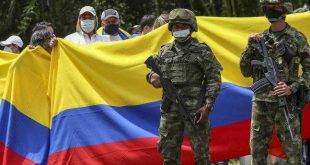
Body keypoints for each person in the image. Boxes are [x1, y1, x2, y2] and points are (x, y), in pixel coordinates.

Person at [146, 8, 222, 165]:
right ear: (171, 29)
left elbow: (214, 79)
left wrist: (207, 106)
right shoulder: (164, 51)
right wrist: (152, 78)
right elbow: (151, 73)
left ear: (191, 27)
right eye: (176, 27)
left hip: (195, 111)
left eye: (183, 26)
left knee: (202, 156)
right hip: (170, 111)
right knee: (169, 155)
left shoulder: (202, 50)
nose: (179, 30)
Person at [240, 0, 310, 164]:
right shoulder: (259, 39)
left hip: (286, 103)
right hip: (261, 103)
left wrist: (291, 88)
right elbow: (245, 71)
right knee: (257, 150)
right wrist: (249, 47)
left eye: (275, 8)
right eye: (268, 8)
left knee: (293, 151)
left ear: (284, 10)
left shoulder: (297, 38)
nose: (271, 11)